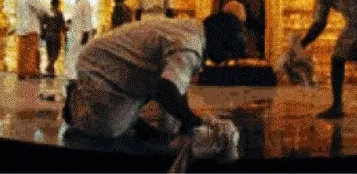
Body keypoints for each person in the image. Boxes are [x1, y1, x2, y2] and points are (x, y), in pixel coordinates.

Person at [64, 12, 246, 139]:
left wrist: (184, 118)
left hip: (126, 69)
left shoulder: (194, 31)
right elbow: (165, 89)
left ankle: (130, 117)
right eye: (228, 51)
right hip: (100, 64)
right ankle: (75, 104)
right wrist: (193, 121)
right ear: (218, 38)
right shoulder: (190, 45)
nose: (225, 60)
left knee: (170, 125)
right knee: (111, 130)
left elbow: (177, 85)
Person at [16, 0, 50, 79]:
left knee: (22, 52)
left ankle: (21, 72)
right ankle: (30, 72)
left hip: (22, 29)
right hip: (31, 29)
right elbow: (43, 9)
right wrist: (50, 15)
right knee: (31, 52)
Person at [66, 0, 93, 82]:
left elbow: (87, 19)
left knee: (77, 55)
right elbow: (76, 18)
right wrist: (69, 22)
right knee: (72, 55)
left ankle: (76, 77)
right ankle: (73, 76)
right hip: (74, 34)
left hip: (81, 34)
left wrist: (86, 33)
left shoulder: (84, 2)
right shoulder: (77, 3)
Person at [42, 0, 66, 77]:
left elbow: (43, 23)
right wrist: (65, 34)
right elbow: (62, 25)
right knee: (56, 52)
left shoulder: (47, 12)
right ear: (57, 4)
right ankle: (50, 66)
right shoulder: (59, 13)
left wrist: (43, 33)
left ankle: (50, 70)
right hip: (56, 35)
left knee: (49, 53)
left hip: (48, 35)